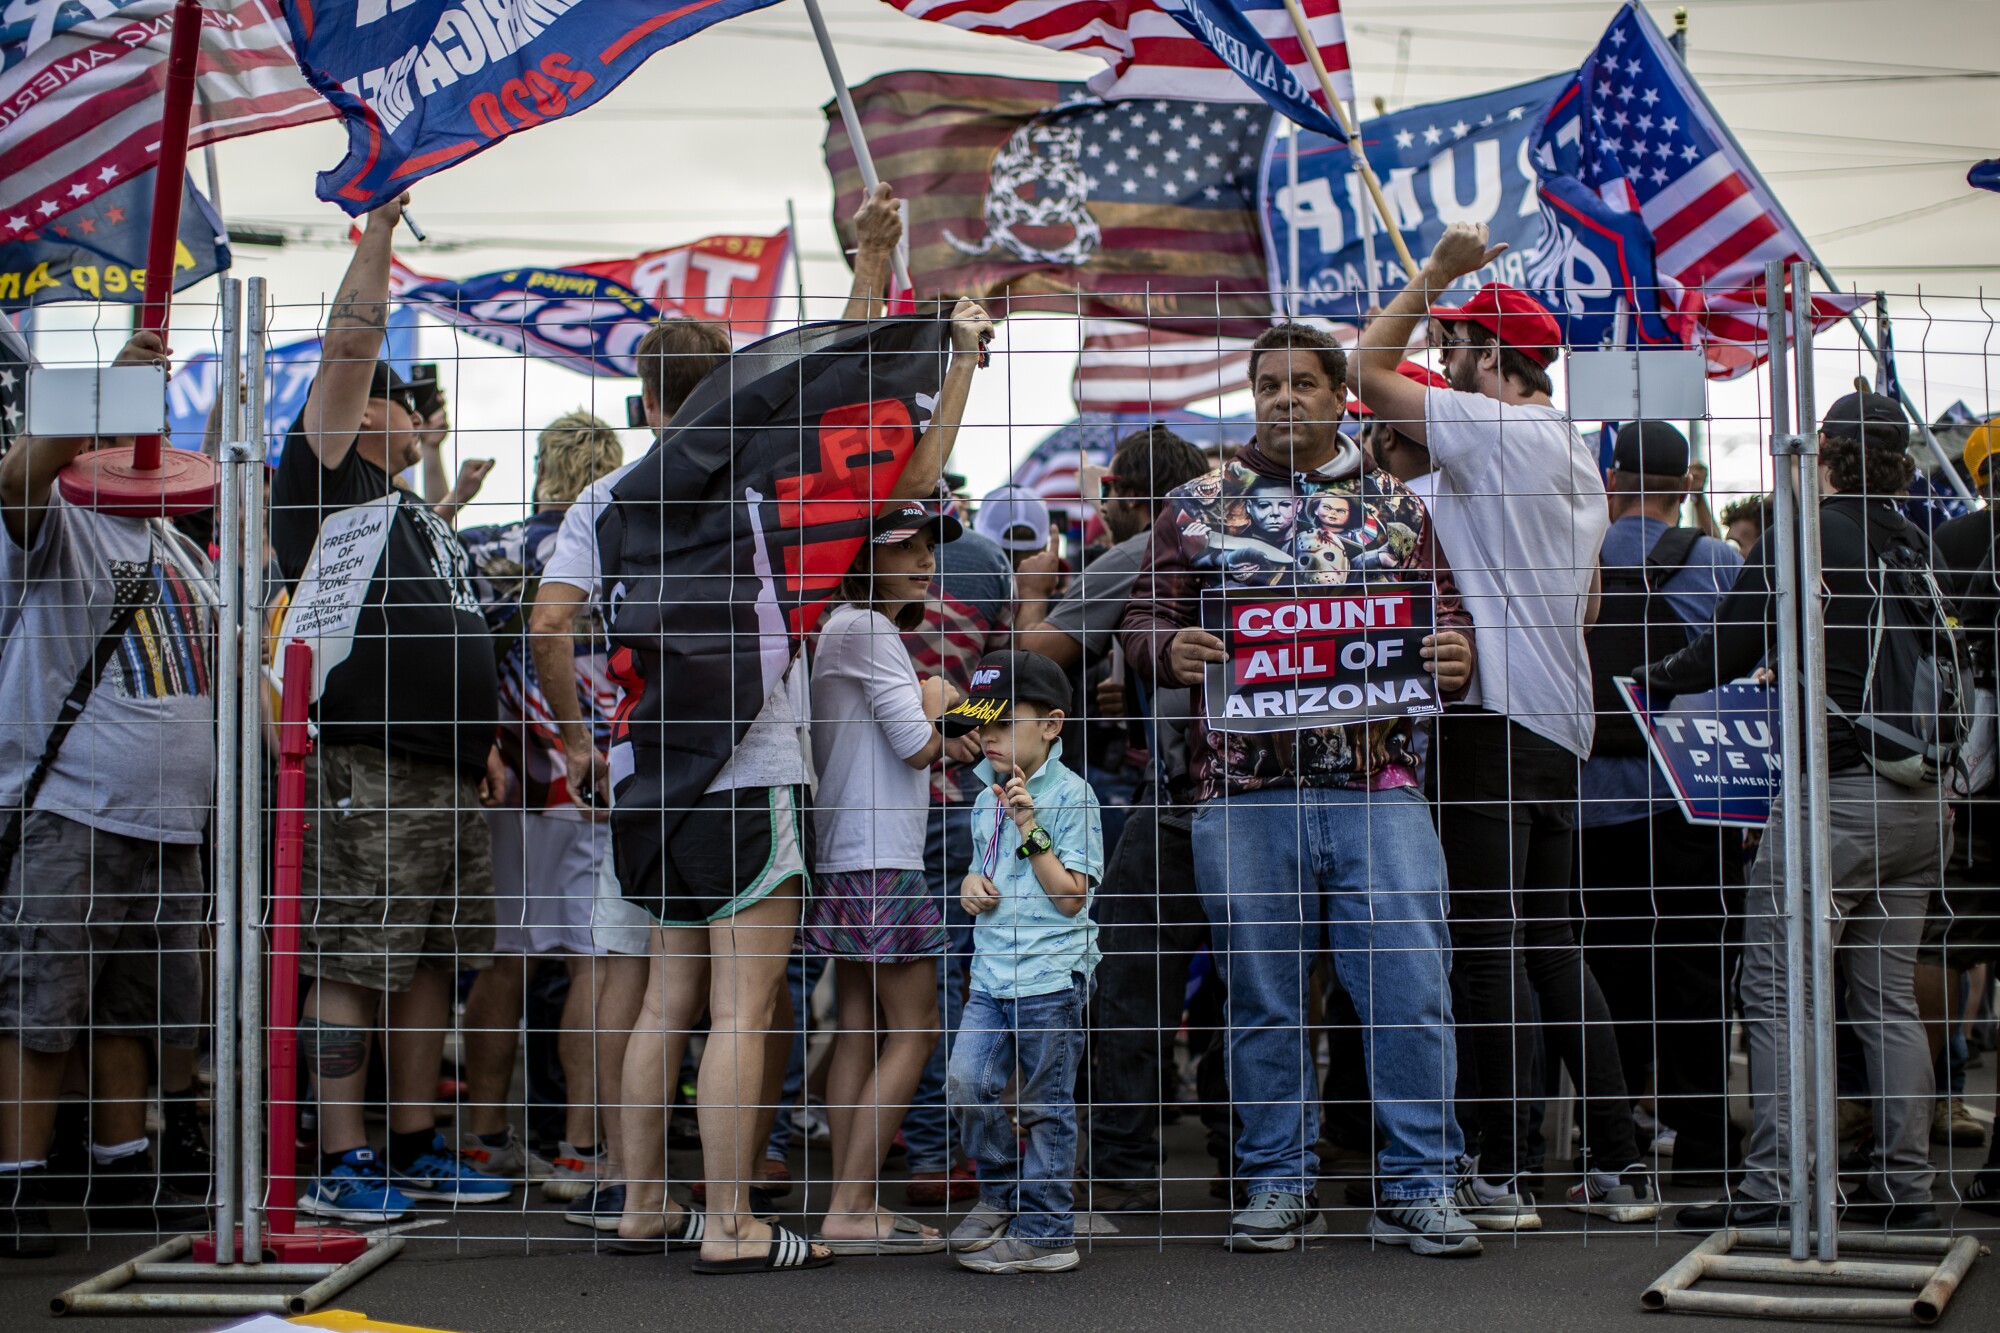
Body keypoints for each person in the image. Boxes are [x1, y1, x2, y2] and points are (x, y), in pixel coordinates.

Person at [531, 184, 928, 1254]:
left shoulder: (603, 498)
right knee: (747, 1009)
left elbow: (546, 622)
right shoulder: (759, 481)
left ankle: (643, 1198)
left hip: (646, 769)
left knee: (665, 998)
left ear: (642, 397)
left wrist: (581, 735)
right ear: (730, 393)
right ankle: (733, 1220)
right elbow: (846, 385)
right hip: (751, 768)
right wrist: (873, 260)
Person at [1120, 322, 1482, 1257]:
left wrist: (1454, 652)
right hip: (1242, 794)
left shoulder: (1398, 506)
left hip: (1378, 784)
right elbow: (1143, 617)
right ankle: (1278, 1181)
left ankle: (1417, 1185)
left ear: (1336, 397)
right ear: (1253, 396)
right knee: (1263, 998)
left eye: (1304, 385)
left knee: (1409, 991)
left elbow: (1443, 612)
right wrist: (1168, 646)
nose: (1285, 400)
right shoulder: (1194, 504)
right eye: (1269, 385)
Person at [1355, 221, 1656, 1231]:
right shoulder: (1569, 449)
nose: (1440, 363)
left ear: (1493, 357)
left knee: (1485, 947)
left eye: (1454, 346)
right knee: (1549, 944)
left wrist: (1433, 274)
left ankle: (1500, 1165)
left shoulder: (1486, 427)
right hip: (1557, 717)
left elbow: (1363, 362)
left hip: (1488, 717)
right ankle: (1611, 1162)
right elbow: (1588, 605)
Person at [1644, 391, 1950, 1231]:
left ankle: (1777, 1183)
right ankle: (1905, 1185)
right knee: (1885, 999)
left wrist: (1649, 678)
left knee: (1777, 991)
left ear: (1822, 451)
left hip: (1836, 796)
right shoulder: (1913, 542)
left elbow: (1727, 647)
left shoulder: (1804, 535)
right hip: (1923, 803)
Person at [270, 192, 511, 1223]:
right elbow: (346, 348)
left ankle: (411, 1142)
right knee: (353, 955)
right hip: (366, 762)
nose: (417, 413)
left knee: (426, 959)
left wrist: (485, 741)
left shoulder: (414, 511)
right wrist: (373, 237)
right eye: (403, 398)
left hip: (446, 770)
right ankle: (343, 1154)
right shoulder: (322, 474)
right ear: (366, 408)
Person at [0, 331, 213, 1257]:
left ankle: (122, 1164)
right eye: (127, 419)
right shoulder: (55, 519)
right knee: (39, 1006)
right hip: (71, 807)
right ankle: (16, 1182)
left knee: (140, 1009)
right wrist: (105, 392)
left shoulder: (171, 535)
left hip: (169, 819)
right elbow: (15, 480)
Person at [1007, 426, 1221, 1217]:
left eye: (1110, 497)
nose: (1104, 513)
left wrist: (1032, 592)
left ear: (1133, 498)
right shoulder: (1245, 536)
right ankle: (1253, 1165)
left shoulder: (1138, 554)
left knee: (1131, 976)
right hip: (1265, 789)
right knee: (1256, 983)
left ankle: (1128, 1166)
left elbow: (1033, 657)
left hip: (1181, 795)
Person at [456, 411, 649, 1205]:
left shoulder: (491, 548)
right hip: (606, 776)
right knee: (595, 961)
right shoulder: (628, 539)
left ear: (542, 464)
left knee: (507, 957)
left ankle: (484, 1135)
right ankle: (581, 1144)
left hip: (515, 776)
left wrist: (482, 742)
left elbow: (453, 642)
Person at [1574, 422, 1745, 1180]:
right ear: (1688, 486)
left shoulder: (1578, 555)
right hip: (1692, 799)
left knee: (1596, 981)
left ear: (1611, 480)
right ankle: (1705, 1151)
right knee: (1697, 979)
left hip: (1585, 802)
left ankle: (1606, 1145)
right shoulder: (1720, 563)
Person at [803, 502, 962, 1255]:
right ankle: (850, 1204)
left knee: (859, 1030)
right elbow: (918, 744)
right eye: (906, 548)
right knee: (917, 1028)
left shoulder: (844, 628)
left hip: (850, 852)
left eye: (930, 547)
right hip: (880, 856)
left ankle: (850, 1199)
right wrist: (943, 698)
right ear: (861, 557)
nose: (925, 560)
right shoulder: (868, 629)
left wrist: (955, 702)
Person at [942, 651, 1103, 1274]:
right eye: (981, 726)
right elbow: (985, 874)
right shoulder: (984, 796)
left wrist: (1030, 826)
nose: (988, 737)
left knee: (1045, 1104)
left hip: (1051, 976)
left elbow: (1069, 898)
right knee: (965, 1083)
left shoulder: (1072, 795)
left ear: (1052, 725)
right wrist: (968, 887)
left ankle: (1047, 1231)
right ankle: (1003, 1193)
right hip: (992, 975)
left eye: (1004, 724)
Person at [1922, 419, 1999, 1174]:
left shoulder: (1955, 542)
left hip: (1972, 777)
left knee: (1946, 935)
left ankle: (1915, 1112)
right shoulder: (1958, 541)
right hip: (1974, 772)